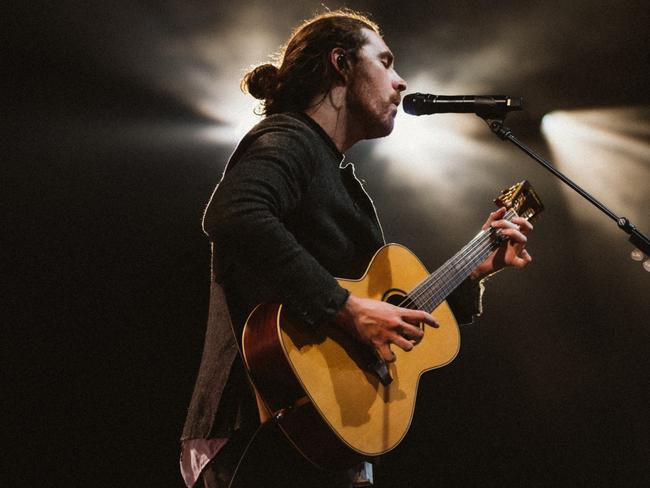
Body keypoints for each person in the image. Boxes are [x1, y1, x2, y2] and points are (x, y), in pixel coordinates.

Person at [180, 9, 533, 488]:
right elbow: (235, 214)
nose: (401, 81)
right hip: (261, 421)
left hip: (323, 432)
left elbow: (392, 311)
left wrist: (474, 270)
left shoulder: (338, 175)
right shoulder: (288, 139)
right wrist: (345, 308)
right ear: (341, 64)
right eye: (385, 62)